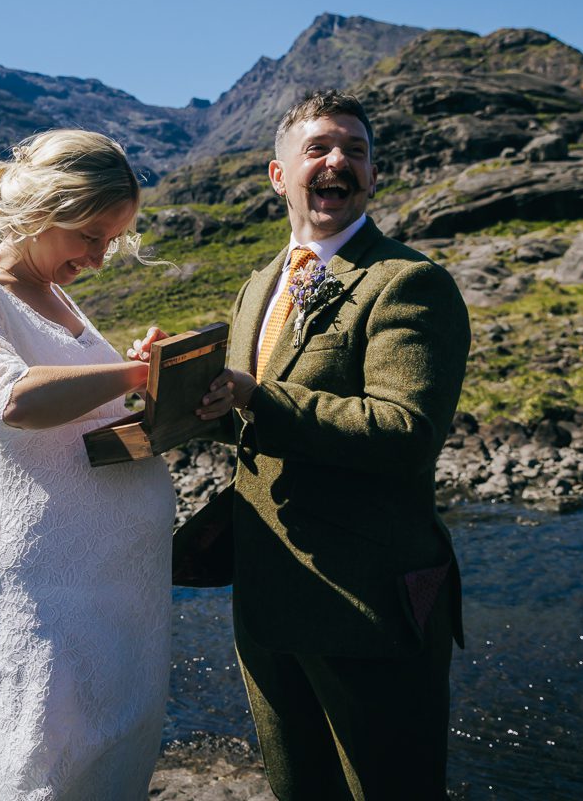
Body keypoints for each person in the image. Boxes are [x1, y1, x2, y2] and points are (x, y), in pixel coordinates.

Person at [148, 89, 471, 799]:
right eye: (320, 149)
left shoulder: (408, 284)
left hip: (370, 607)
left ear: (373, 176)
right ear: (278, 174)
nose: (339, 163)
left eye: (356, 151)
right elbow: (242, 420)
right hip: (267, 607)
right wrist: (168, 382)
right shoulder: (258, 286)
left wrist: (259, 397)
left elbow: (405, 434)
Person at [0, 129, 173, 800]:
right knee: (41, 757)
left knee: (106, 754)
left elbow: (82, 420)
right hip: (46, 584)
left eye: (111, 240)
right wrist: (131, 371)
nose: (99, 257)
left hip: (115, 586)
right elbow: (12, 400)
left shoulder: (58, 296)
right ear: (44, 211)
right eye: (92, 235)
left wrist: (161, 391)